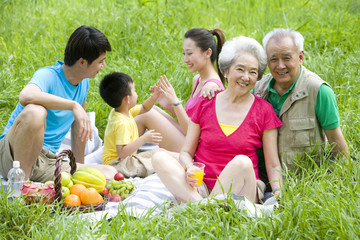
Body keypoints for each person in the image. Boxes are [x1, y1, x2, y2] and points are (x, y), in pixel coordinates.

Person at [152, 36, 283, 204]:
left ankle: (201, 208)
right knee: (159, 157)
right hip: (202, 187)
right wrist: (189, 167)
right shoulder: (206, 102)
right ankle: (203, 206)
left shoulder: (264, 110)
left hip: (243, 189)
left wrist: (278, 194)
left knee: (242, 162)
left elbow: (273, 165)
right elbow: (186, 152)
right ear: (226, 71)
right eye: (240, 69)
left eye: (253, 72)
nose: (246, 77)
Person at [0, 26, 117, 182]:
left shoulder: (83, 83)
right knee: (36, 112)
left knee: (109, 173)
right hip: (12, 156)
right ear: (82, 62)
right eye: (100, 61)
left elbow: (78, 127)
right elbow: (25, 95)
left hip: (47, 161)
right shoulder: (47, 75)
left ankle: (29, 182)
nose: (103, 65)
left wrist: (79, 166)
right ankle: (21, 187)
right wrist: (73, 105)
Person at [254, 28, 349, 168]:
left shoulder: (319, 91)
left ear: (300, 57)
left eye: (287, 58)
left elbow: (336, 142)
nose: (280, 66)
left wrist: (345, 178)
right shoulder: (257, 88)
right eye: (273, 59)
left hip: (303, 181)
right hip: (262, 176)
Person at [135, 28, 226, 152]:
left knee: (147, 114)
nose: (185, 59)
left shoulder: (212, 89)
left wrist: (175, 102)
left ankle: (123, 158)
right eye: (184, 54)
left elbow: (195, 134)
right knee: (150, 109)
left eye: (190, 53)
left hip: (197, 151)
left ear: (207, 53)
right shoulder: (198, 79)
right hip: (189, 139)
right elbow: (192, 122)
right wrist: (168, 105)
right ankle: (125, 155)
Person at [99, 72, 166, 178]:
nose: (137, 93)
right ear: (127, 99)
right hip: (117, 165)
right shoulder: (121, 123)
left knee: (160, 154)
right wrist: (143, 139)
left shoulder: (123, 110)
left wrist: (154, 97)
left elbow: (144, 107)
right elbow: (122, 153)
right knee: (158, 159)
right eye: (134, 91)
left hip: (123, 160)